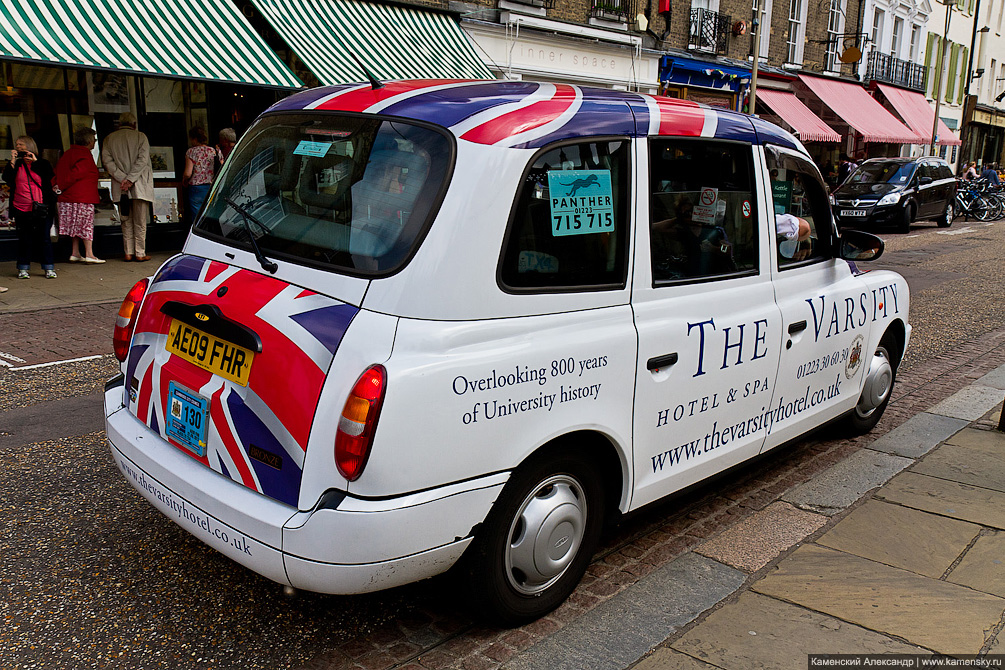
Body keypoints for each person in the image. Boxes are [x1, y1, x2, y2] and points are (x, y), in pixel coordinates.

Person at [101, 112, 154, 262]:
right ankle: (140, 252)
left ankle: (128, 252)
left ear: (119, 124)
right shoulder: (140, 137)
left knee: (125, 220)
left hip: (120, 186)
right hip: (140, 185)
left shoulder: (109, 139)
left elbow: (107, 162)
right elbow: (142, 160)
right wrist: (131, 179)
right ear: (134, 124)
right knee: (140, 221)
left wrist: (122, 178)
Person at [2, 136, 56, 279]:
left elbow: (48, 177)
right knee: (24, 238)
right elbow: (7, 178)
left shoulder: (42, 163)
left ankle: (49, 268)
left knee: (44, 238)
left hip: (41, 207)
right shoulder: (17, 165)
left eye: (21, 145)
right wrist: (12, 160)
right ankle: (23, 268)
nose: (18, 147)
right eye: (17, 145)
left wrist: (35, 162)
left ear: (30, 146)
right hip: (21, 206)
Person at [54, 127, 103, 264]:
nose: (94, 143)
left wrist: (57, 186)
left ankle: (75, 253)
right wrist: (61, 186)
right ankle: (90, 254)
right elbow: (76, 174)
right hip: (82, 197)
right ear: (89, 141)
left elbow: (57, 171)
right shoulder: (84, 155)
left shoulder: (68, 153)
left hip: (68, 197)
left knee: (75, 227)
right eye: (94, 140)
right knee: (86, 226)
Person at [183, 126, 215, 219]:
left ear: (194, 138)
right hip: (211, 185)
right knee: (210, 213)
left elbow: (187, 173)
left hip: (196, 187)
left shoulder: (191, 152)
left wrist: (184, 179)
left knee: (197, 215)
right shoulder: (213, 151)